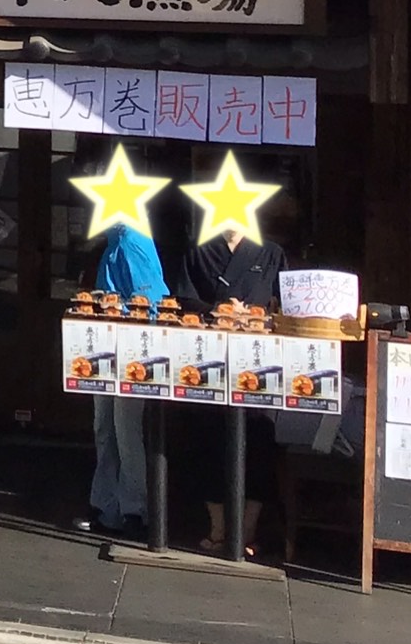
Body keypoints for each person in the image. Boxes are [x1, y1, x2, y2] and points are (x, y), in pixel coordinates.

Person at [177, 201, 289, 556]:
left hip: (258, 359)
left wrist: (255, 316)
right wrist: (218, 311)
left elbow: (285, 306)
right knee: (208, 439)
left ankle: (247, 531)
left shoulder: (271, 253)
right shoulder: (198, 252)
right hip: (210, 356)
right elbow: (183, 300)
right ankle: (218, 528)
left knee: (259, 441)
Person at [78, 221, 168, 541]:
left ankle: (134, 510)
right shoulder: (114, 241)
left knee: (124, 429)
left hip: (133, 349)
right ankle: (106, 505)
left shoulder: (133, 242)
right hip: (107, 342)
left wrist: (117, 308)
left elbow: (151, 303)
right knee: (105, 426)